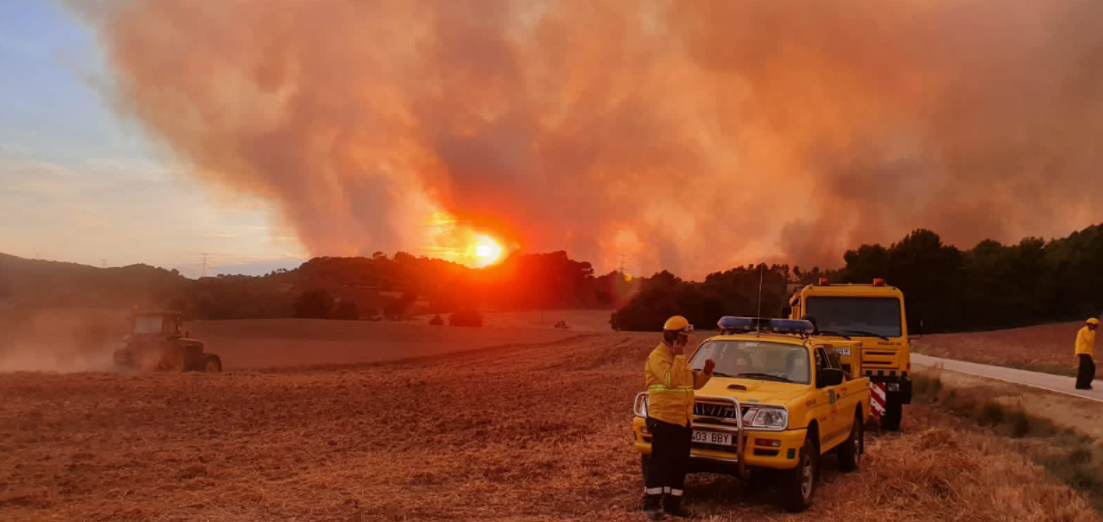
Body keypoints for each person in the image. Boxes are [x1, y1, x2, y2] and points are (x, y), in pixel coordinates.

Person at [642, 316, 714, 519]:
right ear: (673, 336)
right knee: (659, 464)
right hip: (663, 419)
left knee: (679, 465)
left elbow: (692, 383)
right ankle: (651, 506)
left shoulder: (679, 358)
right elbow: (671, 380)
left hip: (683, 421)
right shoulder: (658, 357)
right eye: (684, 337)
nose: (687, 341)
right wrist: (679, 356)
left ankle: (673, 506)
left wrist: (706, 373)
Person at [1075, 318, 1098, 390]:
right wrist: (1092, 332)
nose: (1096, 327)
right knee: (1085, 369)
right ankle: (1081, 385)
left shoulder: (1092, 332)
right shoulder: (1084, 330)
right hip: (1082, 351)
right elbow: (1089, 340)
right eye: (1095, 325)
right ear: (1090, 324)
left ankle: (1086, 384)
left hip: (1087, 352)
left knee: (1090, 368)